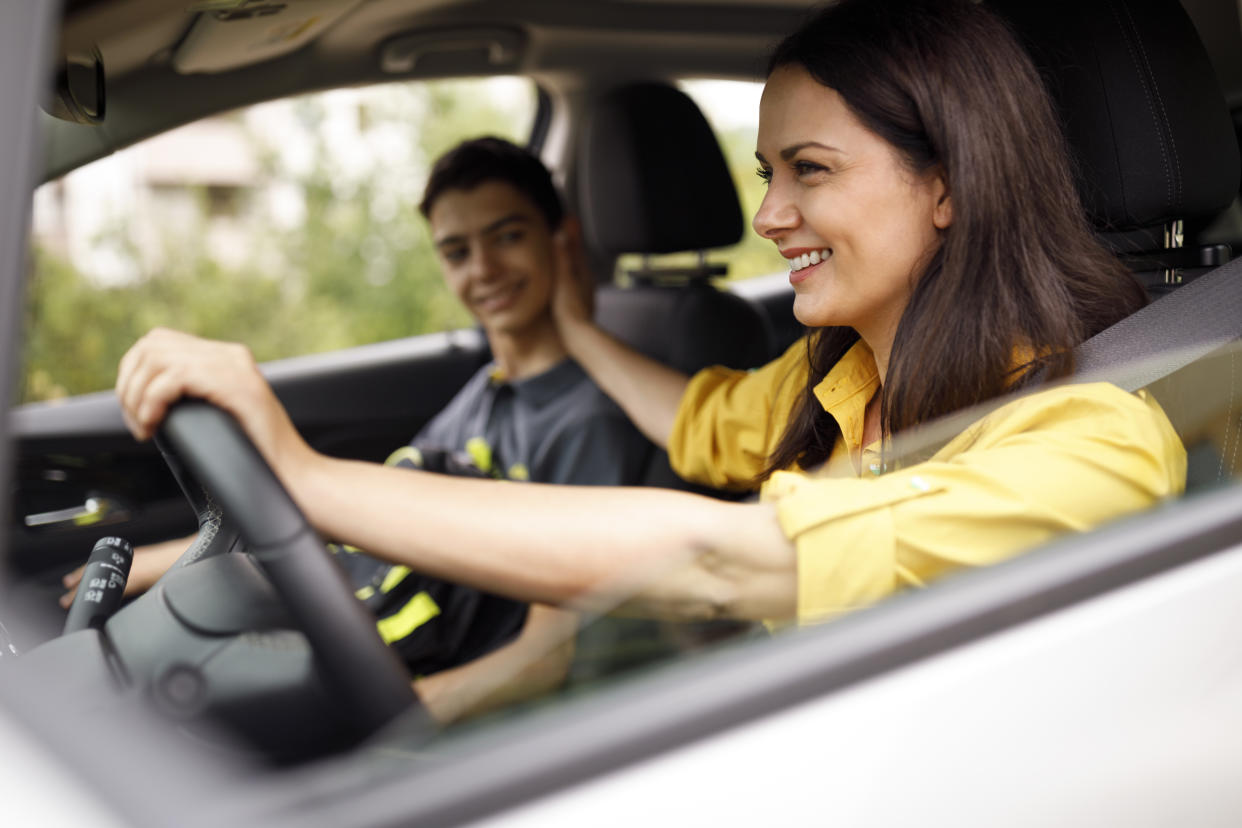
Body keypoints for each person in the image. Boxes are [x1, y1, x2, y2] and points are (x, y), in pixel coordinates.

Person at [111, 0, 1185, 637]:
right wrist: (575, 326)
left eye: (810, 170)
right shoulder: (839, 379)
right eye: (768, 172)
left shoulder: (1097, 440)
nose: (767, 214)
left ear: (947, 184)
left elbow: (727, 560)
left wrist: (304, 478)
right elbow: (697, 423)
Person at [66, 137, 654, 722]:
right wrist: (168, 559)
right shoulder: (481, 396)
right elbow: (374, 523)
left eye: (508, 236)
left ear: (563, 239)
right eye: (455, 252)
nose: (484, 270)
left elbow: (549, 658)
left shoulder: (587, 422)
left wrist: (397, 719)